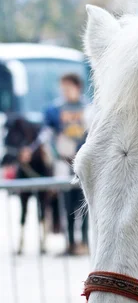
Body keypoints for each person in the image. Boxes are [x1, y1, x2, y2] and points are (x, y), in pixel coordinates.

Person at [44, 73, 89, 255]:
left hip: (85, 162)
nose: (65, 91)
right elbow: (47, 136)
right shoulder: (54, 109)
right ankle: (70, 243)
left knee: (86, 204)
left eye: (68, 87)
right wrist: (57, 154)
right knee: (67, 205)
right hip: (64, 163)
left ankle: (85, 243)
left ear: (77, 87)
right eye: (63, 88)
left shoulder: (89, 109)